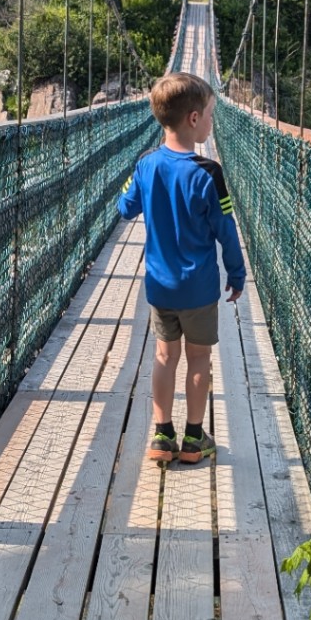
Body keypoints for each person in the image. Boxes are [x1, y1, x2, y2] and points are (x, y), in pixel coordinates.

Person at [117, 71, 245, 463]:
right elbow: (226, 228)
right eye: (210, 114)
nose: (211, 122)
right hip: (199, 289)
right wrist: (236, 274)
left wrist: (141, 184)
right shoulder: (210, 173)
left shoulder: (145, 164)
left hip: (160, 287)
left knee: (164, 356)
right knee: (199, 359)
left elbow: (125, 208)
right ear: (193, 119)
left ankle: (160, 436)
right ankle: (193, 439)